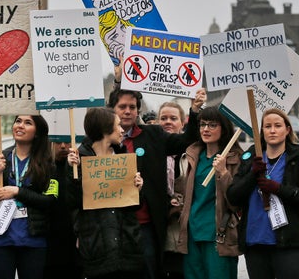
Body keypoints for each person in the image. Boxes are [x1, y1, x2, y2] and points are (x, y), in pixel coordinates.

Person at [108, 70, 205, 279]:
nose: (127, 111)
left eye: (132, 107)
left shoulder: (154, 135)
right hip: (112, 225)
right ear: (112, 110)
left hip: (145, 224)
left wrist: (195, 110)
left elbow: (185, 141)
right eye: (122, 107)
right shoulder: (101, 140)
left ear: (138, 111)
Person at [227, 109, 299, 279]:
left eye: (277, 125)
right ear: (262, 131)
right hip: (255, 242)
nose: (272, 130)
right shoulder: (251, 157)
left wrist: (278, 189)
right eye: (267, 126)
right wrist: (252, 175)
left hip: (289, 244)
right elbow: (233, 196)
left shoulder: (298, 160)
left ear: (287, 130)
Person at [0, 115, 58, 279]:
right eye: (18, 121)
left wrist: (18, 192)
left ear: (37, 132)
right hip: (0, 239)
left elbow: (50, 201)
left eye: (28, 123)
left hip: (33, 240)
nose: (20, 126)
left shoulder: (47, 163)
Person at [68, 107, 144, 279]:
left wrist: (138, 188)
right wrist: (71, 172)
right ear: (104, 128)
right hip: (97, 247)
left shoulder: (124, 157)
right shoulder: (79, 161)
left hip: (127, 247)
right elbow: (73, 202)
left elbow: (135, 204)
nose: (122, 130)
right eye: (118, 125)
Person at [174, 107, 242, 279]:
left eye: (212, 125)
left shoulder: (235, 158)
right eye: (202, 124)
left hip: (219, 234)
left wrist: (224, 173)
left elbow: (237, 200)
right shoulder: (191, 155)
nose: (205, 129)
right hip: (191, 232)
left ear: (224, 128)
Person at [43, 141, 82, 279]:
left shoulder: (79, 168)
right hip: (48, 243)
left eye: (67, 141)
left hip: (74, 241)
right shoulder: (41, 167)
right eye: (58, 141)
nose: (64, 146)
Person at [158, 101, 187, 279]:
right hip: (160, 228)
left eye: (173, 118)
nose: (168, 122)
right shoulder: (151, 150)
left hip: (185, 230)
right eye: (163, 118)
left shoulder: (192, 151)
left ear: (183, 122)